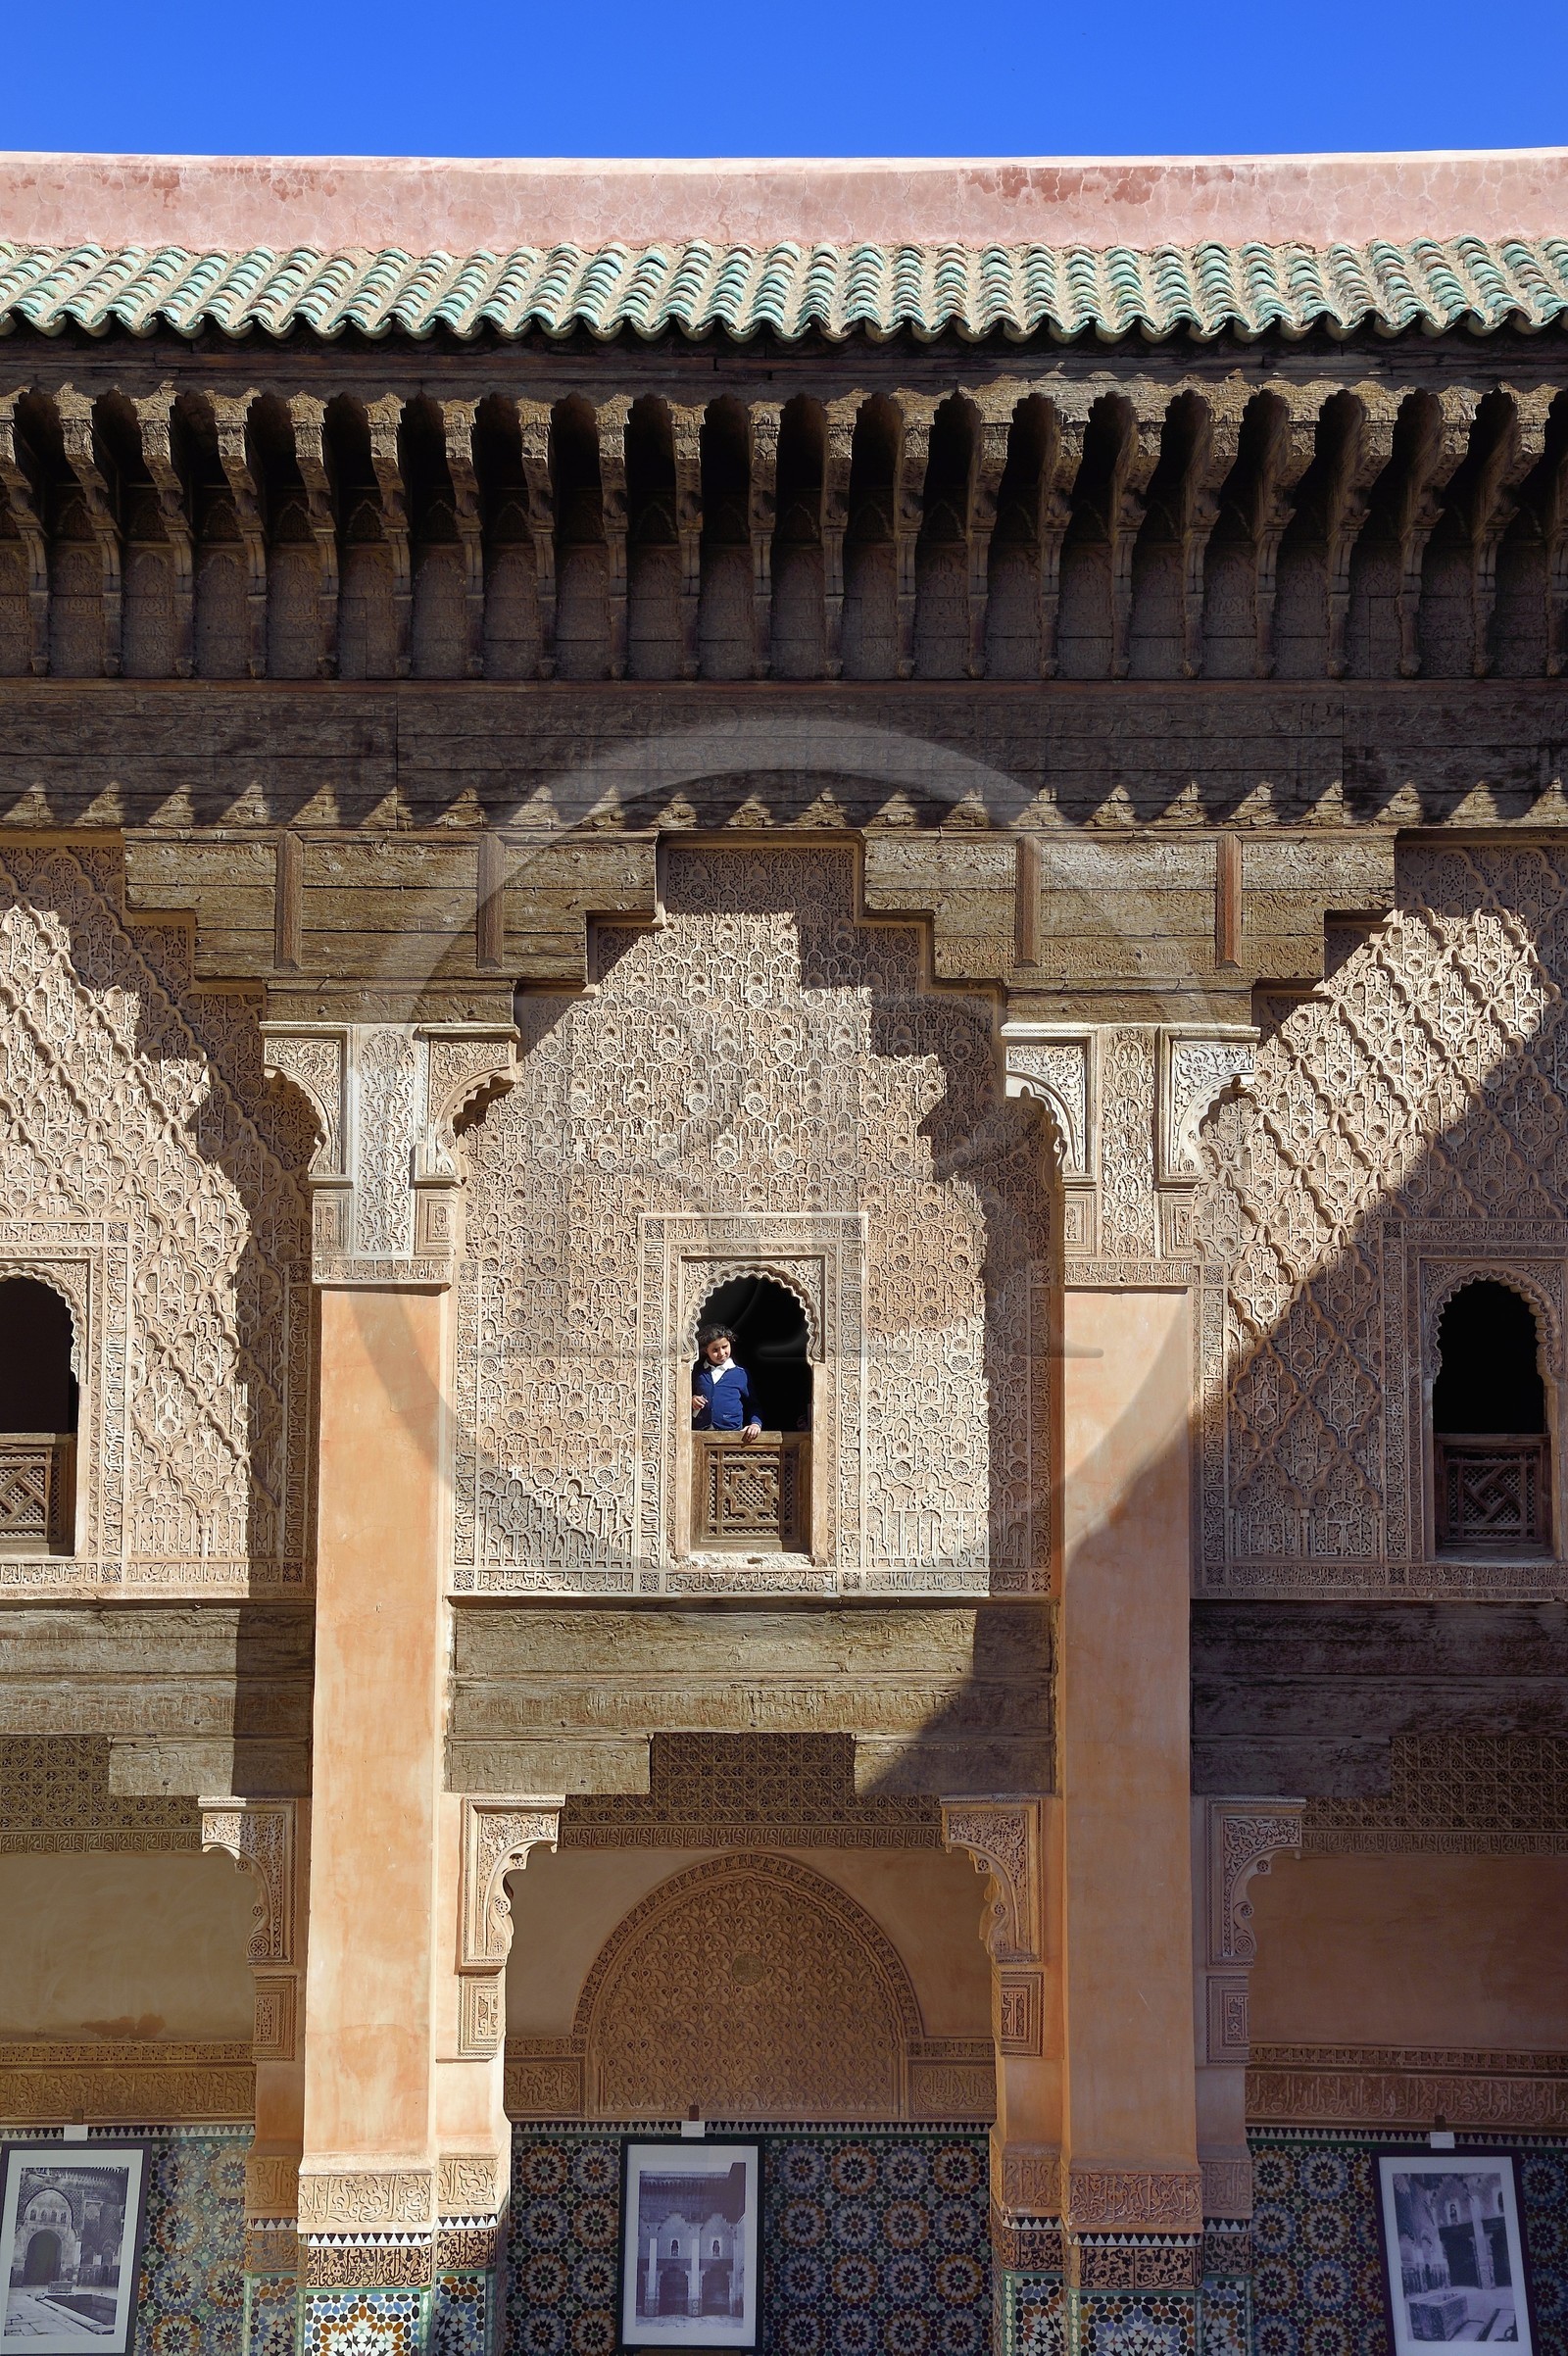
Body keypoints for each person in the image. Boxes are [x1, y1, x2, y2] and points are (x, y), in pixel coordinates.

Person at [692, 1326, 761, 1439]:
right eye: (715, 1350)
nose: (721, 1353)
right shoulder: (697, 1373)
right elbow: (681, 1396)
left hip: (732, 1435)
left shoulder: (740, 1374)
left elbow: (752, 1404)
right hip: (700, 1435)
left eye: (725, 1347)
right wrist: (692, 1399)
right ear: (706, 1350)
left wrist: (755, 1424)